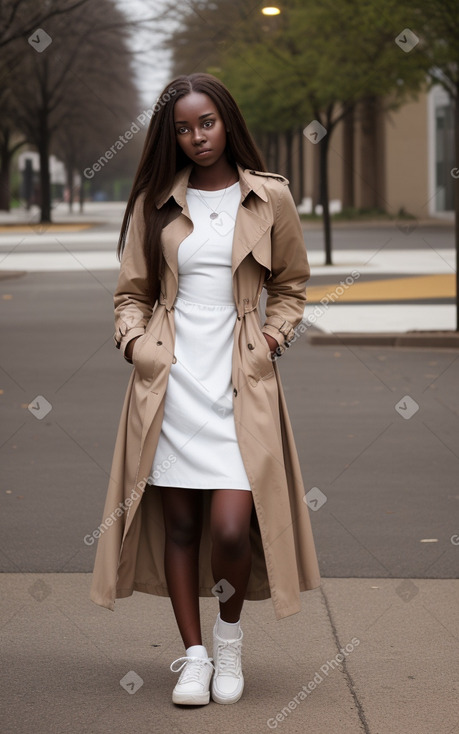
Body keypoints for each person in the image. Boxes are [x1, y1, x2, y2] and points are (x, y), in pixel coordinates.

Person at [90, 72, 320, 707]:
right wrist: (136, 347)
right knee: (183, 525)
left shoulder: (268, 197)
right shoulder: (155, 203)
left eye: (207, 122)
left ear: (228, 121)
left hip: (240, 384)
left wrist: (273, 340)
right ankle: (192, 658)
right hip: (171, 383)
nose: (197, 137)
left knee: (229, 526)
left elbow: (293, 287)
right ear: (173, 136)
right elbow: (131, 296)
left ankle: (229, 641)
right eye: (183, 128)